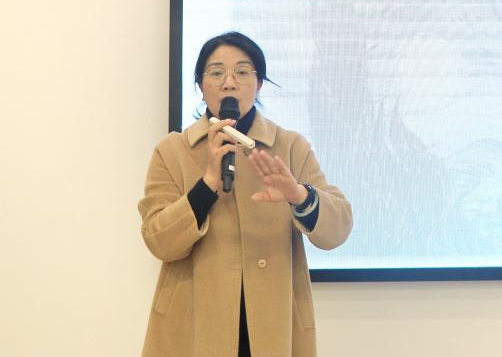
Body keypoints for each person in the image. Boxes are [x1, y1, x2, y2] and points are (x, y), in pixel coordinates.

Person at [138, 31, 352, 357]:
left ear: (259, 83)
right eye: (216, 73)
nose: (229, 83)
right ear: (200, 85)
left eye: (242, 71)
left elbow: (338, 229)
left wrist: (298, 195)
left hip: (274, 324)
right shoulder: (172, 151)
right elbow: (159, 240)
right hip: (191, 325)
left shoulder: (290, 147)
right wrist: (208, 184)